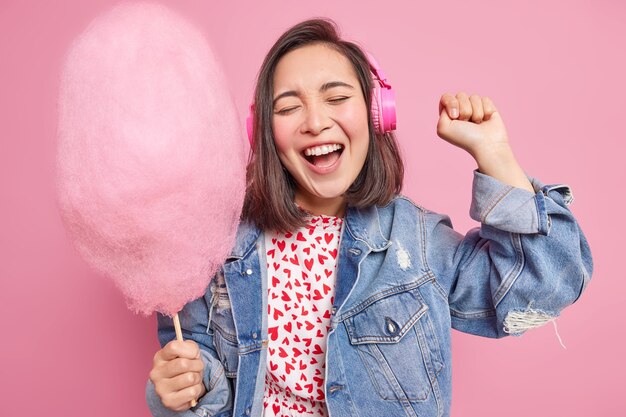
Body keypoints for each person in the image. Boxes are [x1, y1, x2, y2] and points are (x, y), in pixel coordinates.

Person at [146, 18, 593, 417]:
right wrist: (186, 383)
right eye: (288, 108)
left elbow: (545, 286)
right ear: (264, 133)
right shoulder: (219, 244)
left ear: (377, 114)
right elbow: (195, 357)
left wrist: (495, 155)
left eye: (336, 97)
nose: (315, 122)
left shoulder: (416, 243)